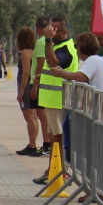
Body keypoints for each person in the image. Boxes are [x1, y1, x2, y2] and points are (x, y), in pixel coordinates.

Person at [34, 14, 80, 180]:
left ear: (64, 31)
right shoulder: (57, 46)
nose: (50, 32)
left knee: (57, 136)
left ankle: (60, 171)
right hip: (51, 100)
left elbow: (54, 62)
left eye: (54, 29)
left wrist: (48, 40)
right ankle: (52, 169)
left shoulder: (66, 48)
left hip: (59, 100)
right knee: (53, 135)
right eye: (49, 28)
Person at [13, 25, 42, 156]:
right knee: (34, 116)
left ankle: (32, 144)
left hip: (25, 86)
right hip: (32, 85)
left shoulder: (25, 52)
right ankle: (33, 143)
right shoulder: (35, 51)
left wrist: (21, 92)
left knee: (29, 117)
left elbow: (26, 72)